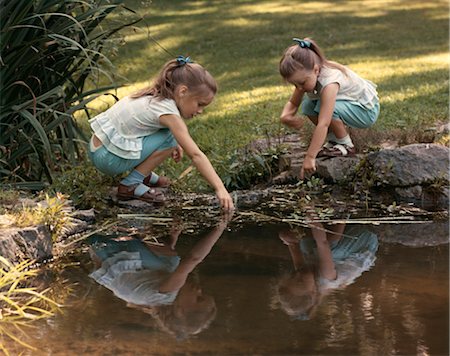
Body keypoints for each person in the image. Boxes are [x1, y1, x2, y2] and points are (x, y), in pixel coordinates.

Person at [88, 55, 234, 210]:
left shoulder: (156, 95)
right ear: (183, 91)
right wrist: (220, 188)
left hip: (97, 148)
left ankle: (144, 175)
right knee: (170, 138)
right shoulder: (168, 112)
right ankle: (131, 184)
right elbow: (196, 155)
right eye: (200, 104)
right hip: (108, 159)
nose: (200, 111)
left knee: (172, 135)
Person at [88, 212, 232, 339]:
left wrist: (221, 225)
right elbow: (163, 265)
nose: (199, 289)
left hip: (109, 243)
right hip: (98, 247)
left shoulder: (167, 296)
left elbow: (193, 258)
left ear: (181, 311)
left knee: (180, 265)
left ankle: (133, 224)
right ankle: (134, 230)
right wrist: (172, 239)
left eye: (199, 298)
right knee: (173, 265)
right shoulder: (154, 302)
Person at [279, 38, 380, 179]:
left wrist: (310, 156)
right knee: (307, 106)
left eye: (302, 83)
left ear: (316, 69)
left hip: (366, 110)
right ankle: (335, 140)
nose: (300, 88)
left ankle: (347, 145)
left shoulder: (330, 82)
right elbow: (294, 103)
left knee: (323, 109)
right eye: (295, 85)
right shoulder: (308, 76)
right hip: (348, 105)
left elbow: (324, 122)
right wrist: (286, 116)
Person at [272, 222, 378, 320]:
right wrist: (311, 214)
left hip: (340, 252)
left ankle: (326, 225)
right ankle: (341, 215)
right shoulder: (327, 278)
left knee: (305, 246)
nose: (298, 273)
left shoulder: (302, 274)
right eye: (300, 281)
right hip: (364, 245)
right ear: (313, 291)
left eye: (292, 275)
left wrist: (286, 236)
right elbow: (323, 243)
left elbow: (293, 244)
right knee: (329, 246)